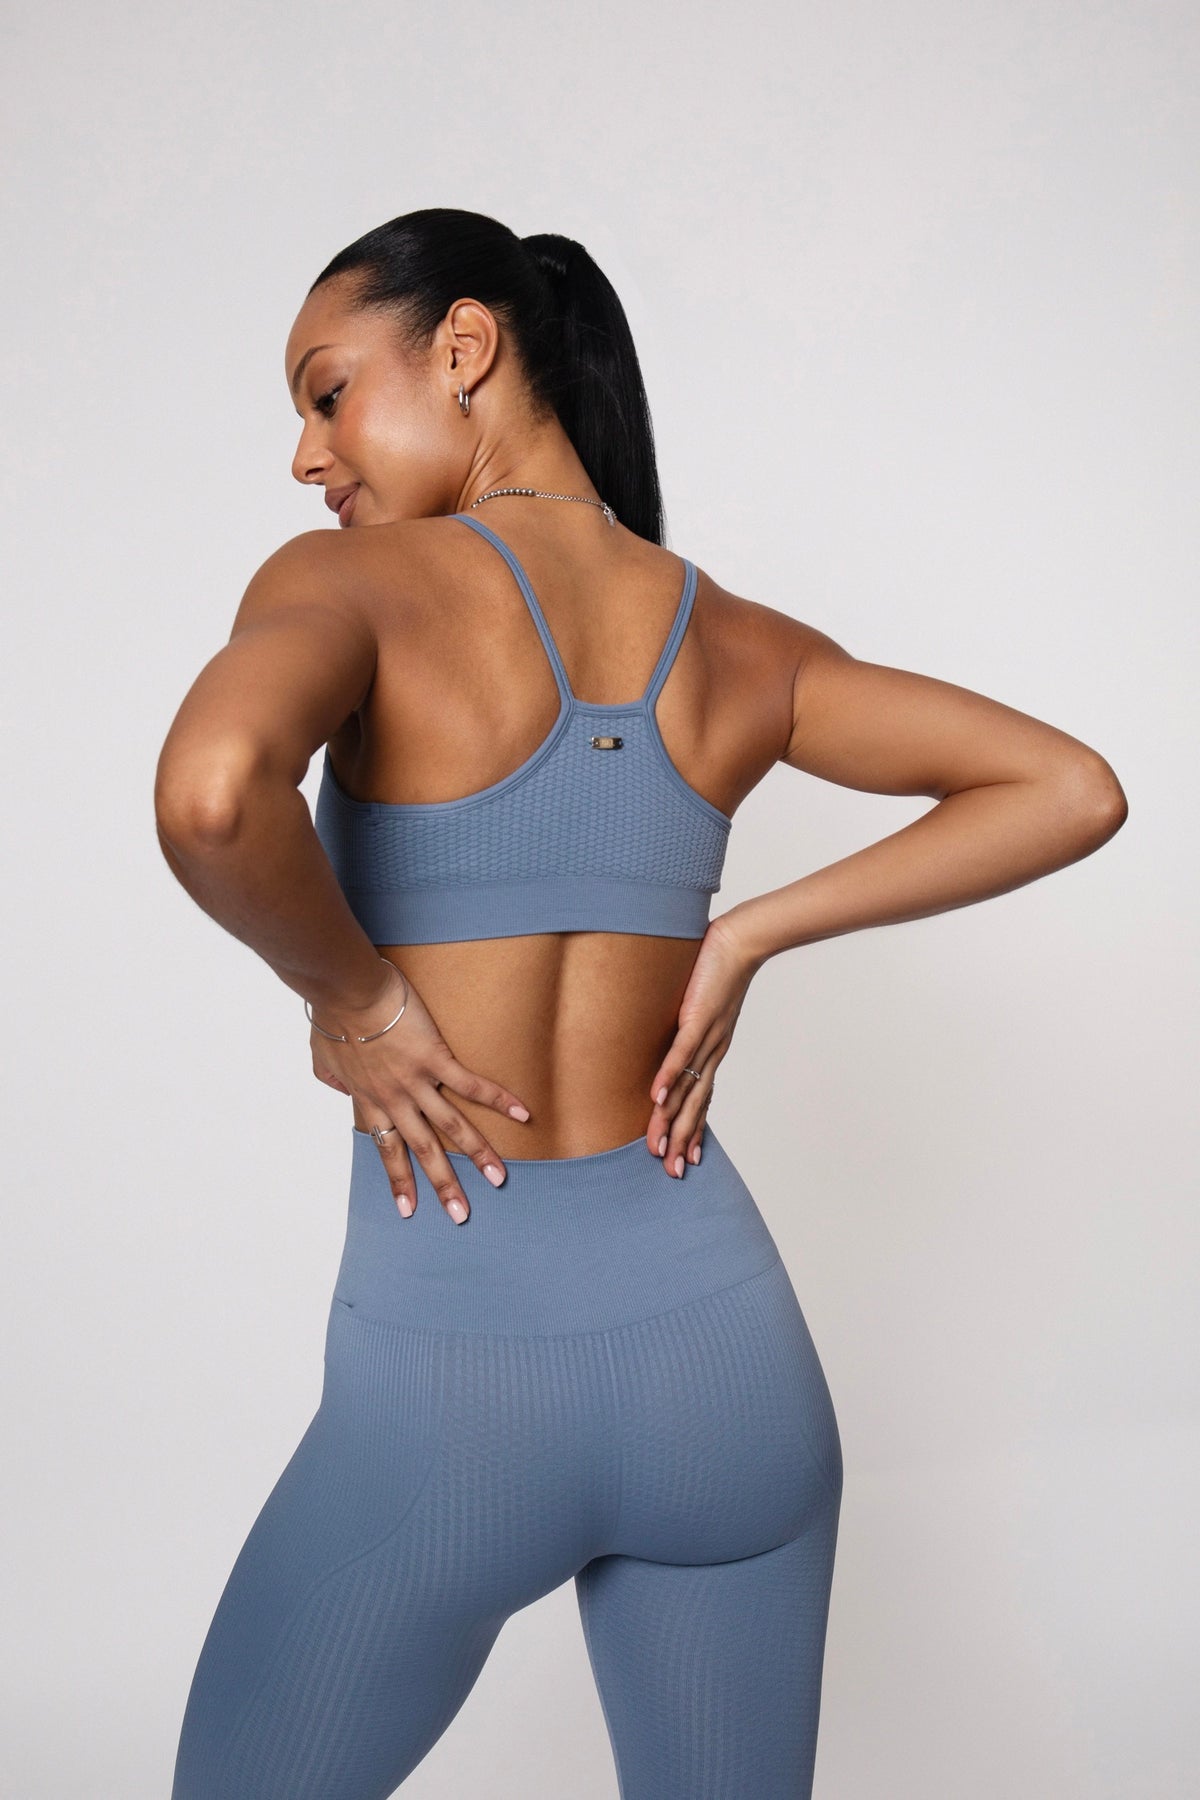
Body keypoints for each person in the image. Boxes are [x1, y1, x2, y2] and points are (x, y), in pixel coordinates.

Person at [155, 206, 1127, 1800]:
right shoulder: (734, 640)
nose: (306, 456)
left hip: (453, 1388)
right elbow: (1071, 788)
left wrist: (361, 1003)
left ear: (465, 347)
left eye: (328, 394)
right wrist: (744, 936)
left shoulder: (360, 586)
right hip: (725, 1368)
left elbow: (210, 795)